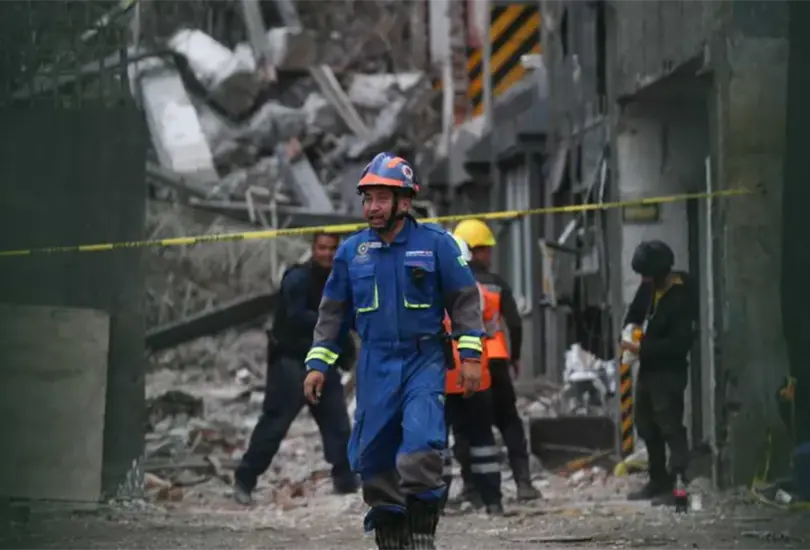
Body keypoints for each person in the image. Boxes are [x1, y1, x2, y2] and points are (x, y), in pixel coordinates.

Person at [302, 152, 485, 550]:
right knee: (373, 457)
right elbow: (332, 314)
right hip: (375, 362)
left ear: (404, 201)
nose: (372, 207)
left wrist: (470, 357)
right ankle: (391, 538)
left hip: (424, 359)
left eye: (381, 198)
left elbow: (466, 302)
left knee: (421, 446)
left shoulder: (435, 244)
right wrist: (318, 364)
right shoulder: (352, 253)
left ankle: (421, 534)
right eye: (367, 199)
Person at [233, 233, 358, 505]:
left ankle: (346, 483)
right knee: (274, 426)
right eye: (322, 248)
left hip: (322, 363)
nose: (327, 254)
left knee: (338, 425)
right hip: (290, 364)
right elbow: (297, 316)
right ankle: (244, 480)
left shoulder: (340, 281)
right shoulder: (297, 279)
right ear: (313, 250)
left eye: (332, 248)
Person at [451, 219, 541, 503]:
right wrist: (514, 356)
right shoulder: (497, 284)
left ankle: (472, 487)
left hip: (464, 360)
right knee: (508, 422)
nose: (489, 255)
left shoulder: (450, 283)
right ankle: (523, 482)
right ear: (474, 251)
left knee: (467, 427)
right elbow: (514, 323)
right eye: (485, 249)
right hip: (496, 358)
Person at [621, 240, 697, 505]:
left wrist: (641, 347)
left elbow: (679, 343)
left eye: (648, 274)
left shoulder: (681, 294)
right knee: (645, 424)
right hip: (649, 369)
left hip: (669, 371)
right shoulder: (648, 288)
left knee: (670, 427)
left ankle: (679, 487)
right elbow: (634, 314)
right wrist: (630, 331)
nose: (644, 279)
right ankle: (658, 479)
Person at [441, 235, 504, 516]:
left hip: (441, 378)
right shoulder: (482, 293)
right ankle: (492, 500)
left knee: (437, 441)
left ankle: (436, 503)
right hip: (478, 374)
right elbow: (490, 330)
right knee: (482, 440)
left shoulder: (429, 294)